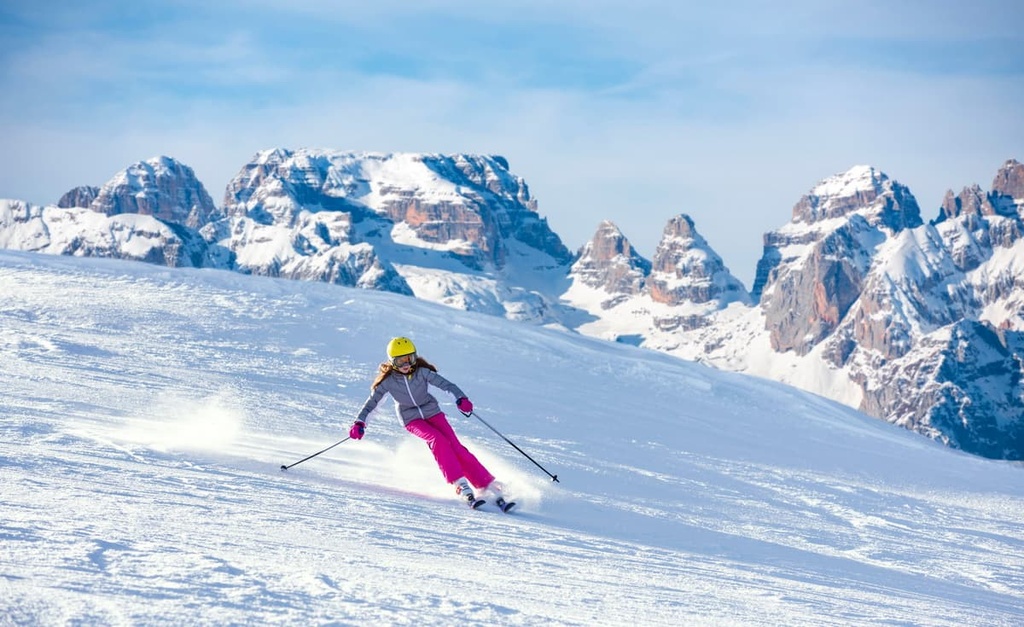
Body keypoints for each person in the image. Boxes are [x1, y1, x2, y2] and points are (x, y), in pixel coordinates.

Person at [349, 337, 511, 510]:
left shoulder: (422, 372)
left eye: (409, 358)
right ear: (392, 362)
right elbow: (372, 404)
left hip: (432, 412)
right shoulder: (388, 382)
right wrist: (360, 423)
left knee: (455, 446)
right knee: (437, 440)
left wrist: (460, 399)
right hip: (411, 419)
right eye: (400, 360)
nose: (406, 364)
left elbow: (447, 385)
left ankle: (486, 484)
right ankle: (460, 484)